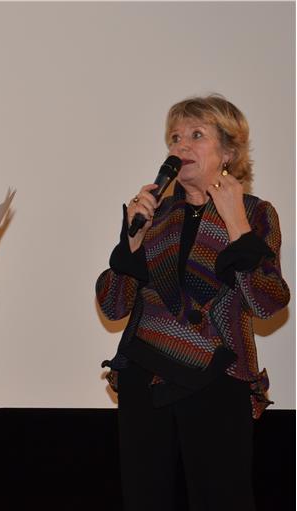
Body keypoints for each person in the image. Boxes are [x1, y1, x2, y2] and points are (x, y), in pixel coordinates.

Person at [96, 95, 289, 511]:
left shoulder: (255, 214)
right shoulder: (155, 215)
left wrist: (235, 223)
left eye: (196, 135)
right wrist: (131, 242)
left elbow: (268, 301)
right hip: (144, 377)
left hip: (217, 380)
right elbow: (113, 305)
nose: (180, 145)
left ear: (228, 152)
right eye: (175, 137)